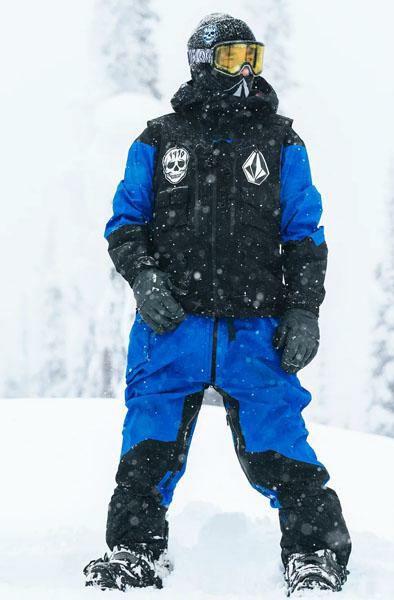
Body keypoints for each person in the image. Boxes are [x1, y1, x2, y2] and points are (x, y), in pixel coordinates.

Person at [84, 13, 351, 595]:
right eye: (233, 58)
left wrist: (303, 310)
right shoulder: (159, 140)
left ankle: (314, 556)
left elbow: (305, 235)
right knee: (148, 448)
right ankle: (134, 552)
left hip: (254, 330)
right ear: (202, 63)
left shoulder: (281, 142)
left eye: (253, 57)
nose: (246, 71)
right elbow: (125, 223)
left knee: (280, 447)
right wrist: (144, 278)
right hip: (171, 328)